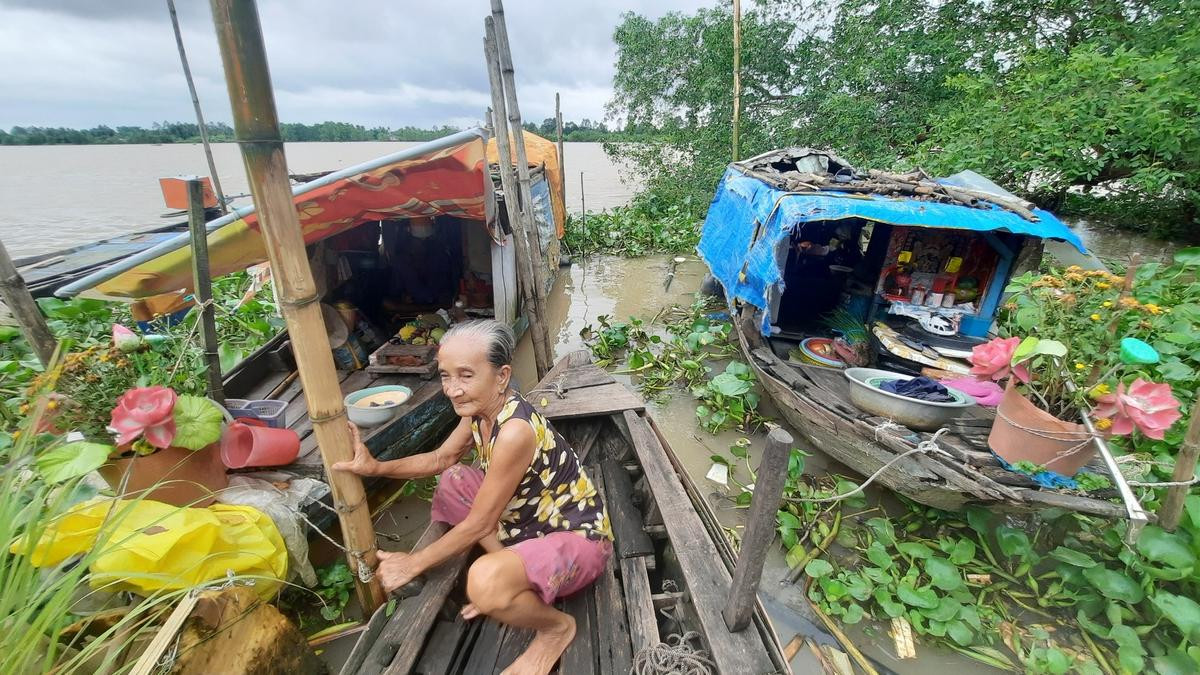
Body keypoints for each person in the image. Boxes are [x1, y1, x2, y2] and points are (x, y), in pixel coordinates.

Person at [333, 319, 612, 675]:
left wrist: (412, 563)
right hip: (526, 523)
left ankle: (555, 628)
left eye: (465, 375)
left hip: (577, 539)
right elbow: (441, 458)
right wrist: (375, 467)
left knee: (482, 581)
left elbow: (479, 522)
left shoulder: (514, 432)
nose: (452, 389)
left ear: (501, 376)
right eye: (446, 376)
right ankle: (511, 575)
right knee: (454, 478)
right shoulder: (480, 413)